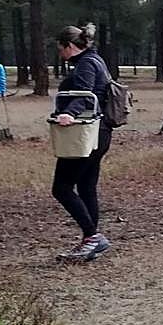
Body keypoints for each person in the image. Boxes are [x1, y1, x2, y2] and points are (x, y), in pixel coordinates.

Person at [51, 23, 113, 260]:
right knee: (86, 187)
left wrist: (70, 114)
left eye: (61, 49)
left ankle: (92, 237)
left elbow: (88, 94)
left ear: (69, 46)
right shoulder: (95, 60)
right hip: (100, 133)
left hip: (85, 135)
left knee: (62, 188)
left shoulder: (86, 64)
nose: (60, 54)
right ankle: (91, 241)